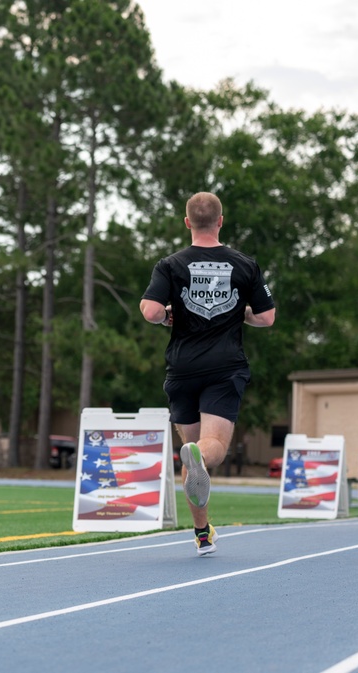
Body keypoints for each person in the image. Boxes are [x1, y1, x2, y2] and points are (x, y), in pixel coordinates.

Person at [139, 192, 275, 556]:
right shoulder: (245, 264)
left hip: (182, 369)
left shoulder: (169, 264)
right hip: (224, 368)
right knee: (208, 450)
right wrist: (242, 312)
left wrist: (167, 312)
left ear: (187, 222)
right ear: (220, 220)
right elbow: (267, 316)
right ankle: (196, 455)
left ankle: (202, 533)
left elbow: (150, 311)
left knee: (192, 456)